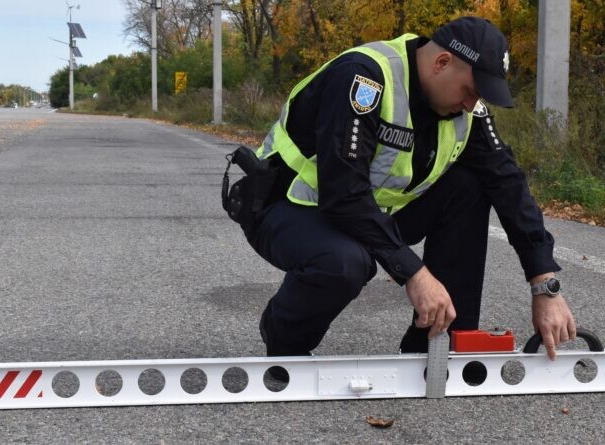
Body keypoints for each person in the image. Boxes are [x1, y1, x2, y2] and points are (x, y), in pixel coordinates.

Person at [235, 16, 576, 362]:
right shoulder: (363, 78)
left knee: (471, 186)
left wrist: (544, 284)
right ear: (442, 63)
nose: (472, 105)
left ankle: (436, 345)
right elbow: (345, 194)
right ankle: (285, 343)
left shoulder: (466, 111)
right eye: (471, 91)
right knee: (345, 262)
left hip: (369, 212)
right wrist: (415, 273)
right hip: (287, 206)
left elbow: (509, 184)